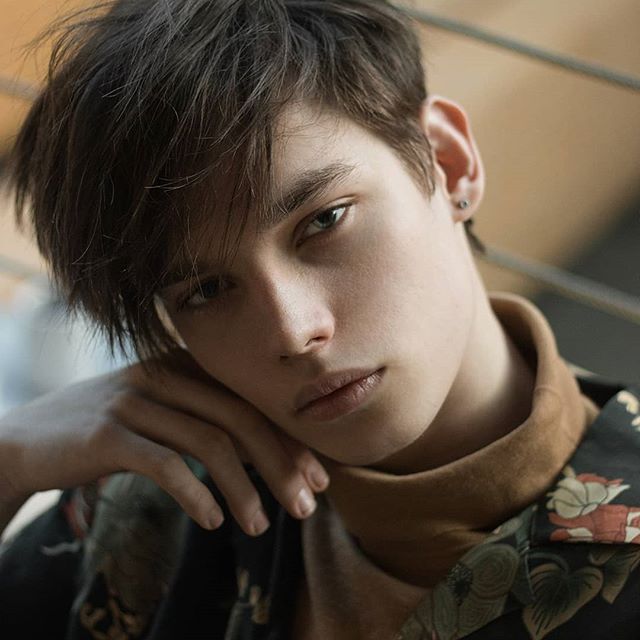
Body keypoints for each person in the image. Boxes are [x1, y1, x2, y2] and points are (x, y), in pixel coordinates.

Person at [1, 1, 639, 638]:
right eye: (207, 290)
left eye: (325, 220)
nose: (293, 331)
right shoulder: (164, 498)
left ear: (448, 162)